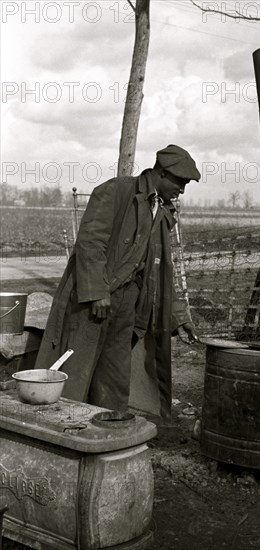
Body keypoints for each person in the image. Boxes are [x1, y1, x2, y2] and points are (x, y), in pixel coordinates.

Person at [35, 144, 200, 418]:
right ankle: (64, 429)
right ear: (161, 172)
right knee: (75, 368)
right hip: (93, 302)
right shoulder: (116, 192)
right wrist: (98, 292)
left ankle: (108, 430)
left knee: (114, 373)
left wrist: (178, 317)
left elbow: (160, 272)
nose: (182, 189)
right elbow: (90, 244)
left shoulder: (162, 211)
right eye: (180, 182)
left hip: (128, 306)